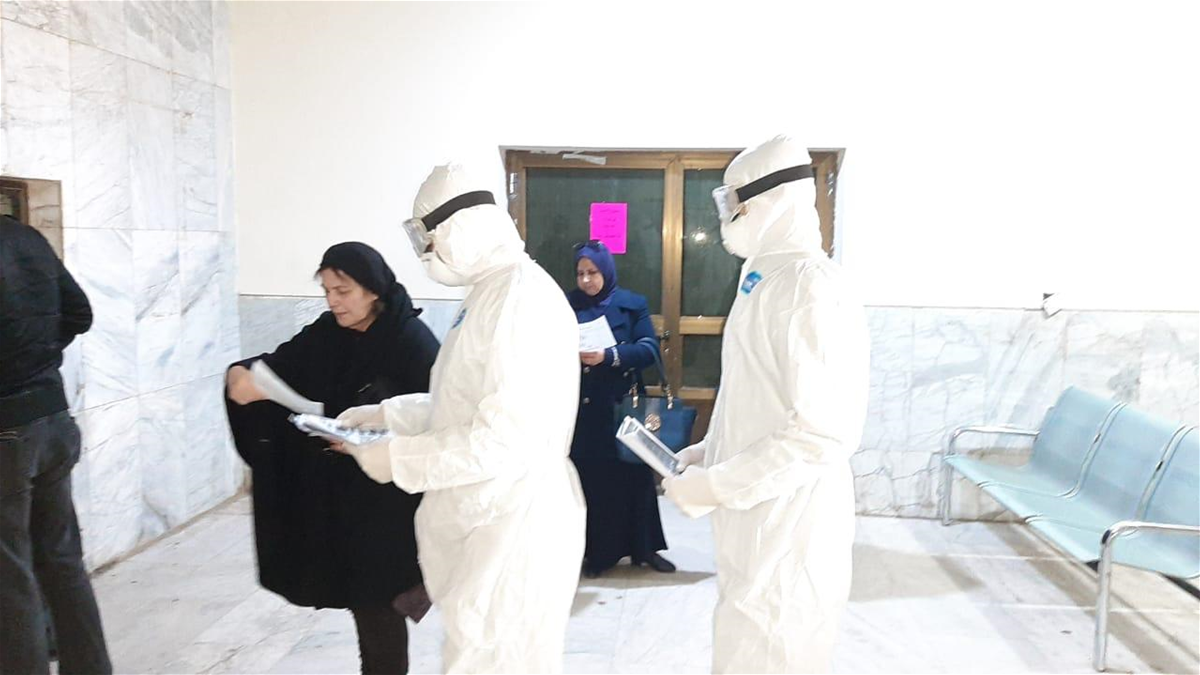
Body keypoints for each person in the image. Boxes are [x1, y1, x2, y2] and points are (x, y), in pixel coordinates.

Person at [334, 163, 586, 673]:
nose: (426, 251)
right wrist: (388, 416)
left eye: (428, 236)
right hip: (488, 522)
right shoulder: (490, 293)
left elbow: (504, 440)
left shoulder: (521, 300)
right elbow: (462, 405)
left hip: (514, 528)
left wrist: (399, 458)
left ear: (461, 226)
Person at [663, 136, 870, 673]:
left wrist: (717, 485)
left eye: (736, 203)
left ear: (773, 200)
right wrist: (712, 451)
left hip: (792, 528)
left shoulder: (810, 286)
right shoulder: (765, 277)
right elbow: (757, 394)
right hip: (759, 522)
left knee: (774, 647)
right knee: (745, 643)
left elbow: (822, 433)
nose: (729, 217)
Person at [224, 242, 439, 675]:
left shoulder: (410, 341)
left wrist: (371, 439)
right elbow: (274, 368)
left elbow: (434, 417)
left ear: (373, 290)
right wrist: (239, 373)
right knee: (363, 598)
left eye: (343, 291)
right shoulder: (326, 333)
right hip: (343, 498)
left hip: (388, 500)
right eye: (326, 291)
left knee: (379, 600)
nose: (333, 302)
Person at [0, 214, 112, 675]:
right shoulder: (25, 235)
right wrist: (39, 356)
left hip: (8, 431)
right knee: (63, 559)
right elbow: (79, 314)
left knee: (10, 577)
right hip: (53, 418)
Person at [567, 241, 674, 577]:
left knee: (635, 477)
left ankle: (645, 549)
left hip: (624, 404)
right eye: (581, 273)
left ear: (606, 271)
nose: (586, 280)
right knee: (594, 481)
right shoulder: (567, 305)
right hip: (585, 409)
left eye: (593, 272)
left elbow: (648, 350)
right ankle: (599, 553)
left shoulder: (632, 304)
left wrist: (610, 356)